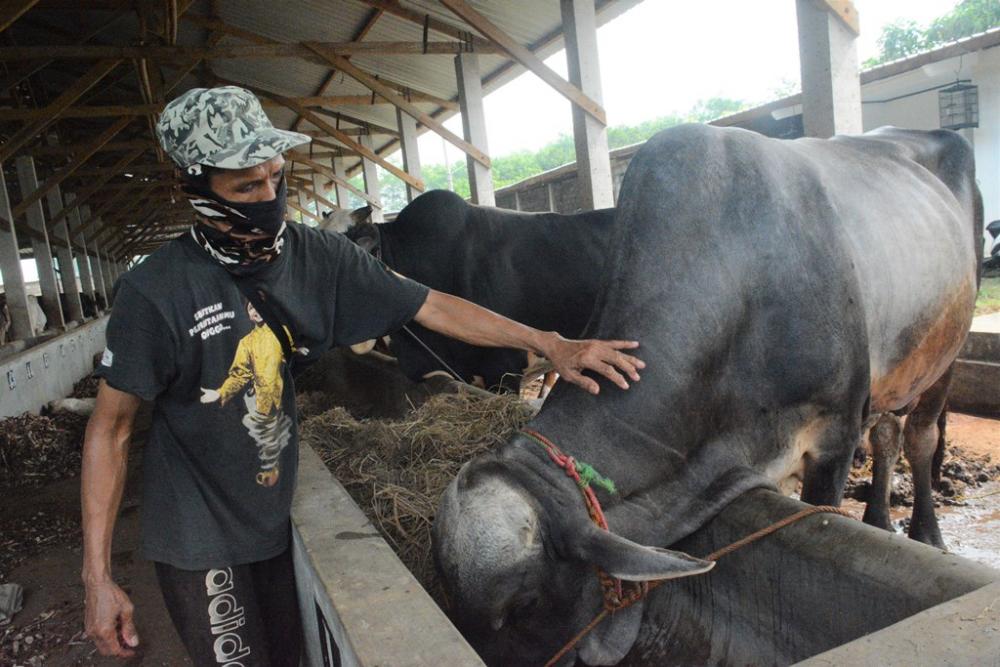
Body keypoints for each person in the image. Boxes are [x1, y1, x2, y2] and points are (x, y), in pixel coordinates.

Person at [81, 86, 644, 664]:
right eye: (246, 187)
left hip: (276, 518)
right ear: (194, 190)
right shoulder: (155, 291)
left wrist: (550, 344)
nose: (269, 197)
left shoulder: (315, 255)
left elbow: (431, 305)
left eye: (276, 176)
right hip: (199, 535)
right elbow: (111, 431)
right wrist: (97, 578)